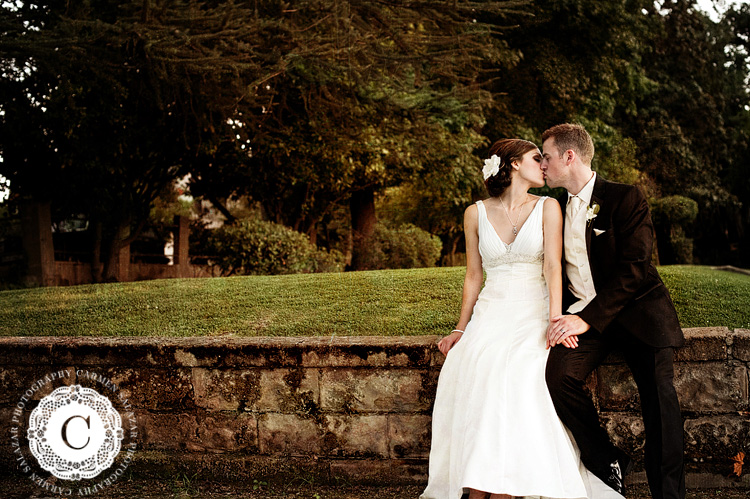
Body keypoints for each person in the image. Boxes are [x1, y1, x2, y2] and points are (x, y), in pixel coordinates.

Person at [421, 138, 621, 499]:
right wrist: (459, 328)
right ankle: (479, 481)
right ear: (513, 164)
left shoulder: (548, 207)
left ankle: (507, 485)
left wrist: (555, 320)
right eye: (535, 158)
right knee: (471, 364)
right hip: (492, 310)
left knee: (521, 373)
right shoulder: (474, 213)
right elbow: (473, 276)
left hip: (533, 309)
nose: (543, 165)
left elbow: (551, 267)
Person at [541, 123, 686, 499]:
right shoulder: (554, 208)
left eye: (547, 157)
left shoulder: (626, 197)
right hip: (586, 323)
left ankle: (669, 495)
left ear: (569, 157)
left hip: (639, 315)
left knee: (660, 404)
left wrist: (585, 317)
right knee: (557, 377)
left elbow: (635, 268)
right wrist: (569, 317)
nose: (542, 164)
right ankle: (608, 458)